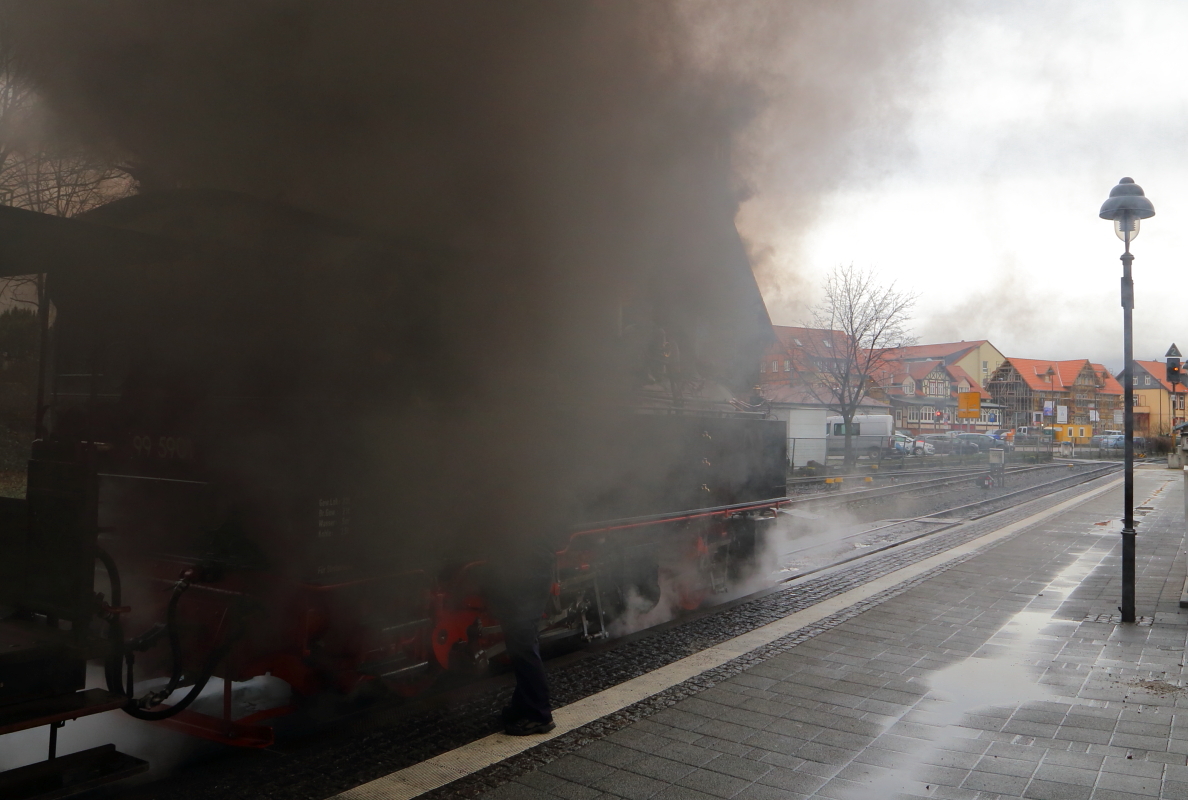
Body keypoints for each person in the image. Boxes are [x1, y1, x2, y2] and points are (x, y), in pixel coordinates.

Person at [487, 542, 556, 735]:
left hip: (529, 575)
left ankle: (540, 716)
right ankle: (523, 705)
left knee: (523, 642)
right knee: (518, 642)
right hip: (527, 571)